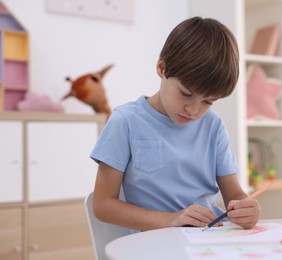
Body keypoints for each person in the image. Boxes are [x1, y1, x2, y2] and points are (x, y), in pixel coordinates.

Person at [90, 16, 261, 234]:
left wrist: (246, 208)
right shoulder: (126, 121)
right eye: (186, 94)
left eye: (208, 101)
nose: (194, 110)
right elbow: (103, 206)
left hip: (208, 239)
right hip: (155, 245)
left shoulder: (213, 126)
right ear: (162, 67)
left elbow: (234, 195)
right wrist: (172, 219)